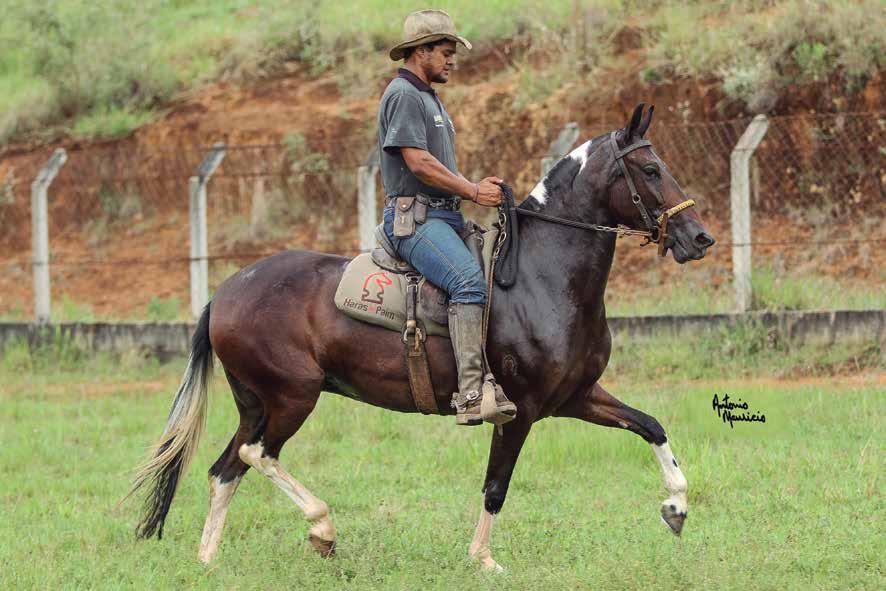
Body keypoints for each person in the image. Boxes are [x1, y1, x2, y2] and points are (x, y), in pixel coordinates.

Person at [379, 9, 515, 426]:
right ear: (421, 52)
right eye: (445, 51)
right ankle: (471, 394)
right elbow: (418, 163)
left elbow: (434, 165)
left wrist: (475, 185)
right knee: (468, 283)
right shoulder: (403, 95)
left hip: (443, 217)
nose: (452, 60)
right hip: (415, 222)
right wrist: (473, 190)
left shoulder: (428, 97)